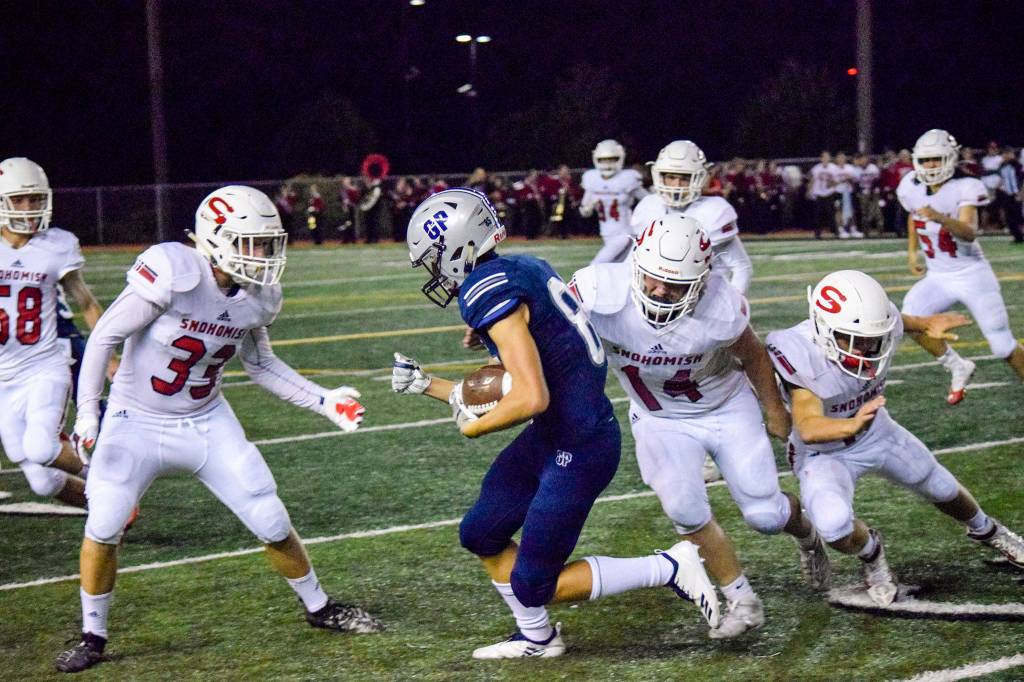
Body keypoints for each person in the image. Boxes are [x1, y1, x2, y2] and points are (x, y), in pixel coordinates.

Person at [55, 186, 382, 673]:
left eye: (268, 243)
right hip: (135, 419)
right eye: (252, 242)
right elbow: (105, 336)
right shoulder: (174, 271)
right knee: (104, 522)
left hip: (206, 419)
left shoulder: (259, 296)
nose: (264, 255)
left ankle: (319, 607)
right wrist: (87, 413)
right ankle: (92, 634)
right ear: (216, 239)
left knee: (269, 516)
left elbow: (261, 365)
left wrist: (323, 400)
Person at [392, 188, 718, 660]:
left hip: (579, 445)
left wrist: (472, 427)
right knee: (480, 533)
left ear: (458, 248)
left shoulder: (488, 291)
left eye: (434, 259)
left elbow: (529, 394)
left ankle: (669, 566)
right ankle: (538, 640)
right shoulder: (524, 267)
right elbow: (524, 373)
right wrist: (432, 384)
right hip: (559, 433)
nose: (435, 271)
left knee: (535, 584)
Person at [569, 215, 829, 639]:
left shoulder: (720, 305)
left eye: (675, 285)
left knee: (766, 514)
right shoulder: (598, 290)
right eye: (653, 279)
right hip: (659, 418)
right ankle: (742, 600)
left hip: (725, 408)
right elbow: (544, 326)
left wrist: (774, 409)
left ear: (702, 282)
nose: (659, 291)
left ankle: (808, 536)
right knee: (684, 510)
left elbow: (754, 355)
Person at [766, 270, 1024, 606]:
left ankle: (989, 531)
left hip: (875, 430)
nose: (866, 348)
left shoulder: (878, 325)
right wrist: (849, 425)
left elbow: (900, 321)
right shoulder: (799, 352)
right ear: (823, 330)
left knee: (941, 486)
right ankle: (872, 554)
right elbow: (808, 426)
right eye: (852, 339)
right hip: (822, 451)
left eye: (871, 338)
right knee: (833, 526)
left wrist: (924, 323)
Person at [631, 140, 754, 482]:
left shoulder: (715, 212)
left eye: (683, 178)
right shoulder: (646, 210)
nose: (675, 185)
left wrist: (731, 311)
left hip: (705, 308)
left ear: (699, 178)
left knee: (715, 380)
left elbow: (741, 268)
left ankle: (717, 452)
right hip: (659, 306)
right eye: (669, 177)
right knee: (653, 378)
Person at [0, 157, 107, 508]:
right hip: (3, 377)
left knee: (42, 447)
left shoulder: (57, 244)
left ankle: (116, 485)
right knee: (44, 482)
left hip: (43, 366)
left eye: (34, 199)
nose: (28, 208)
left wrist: (111, 355)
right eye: (19, 199)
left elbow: (86, 302)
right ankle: (107, 509)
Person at [897, 129, 1024, 405]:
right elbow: (913, 217)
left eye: (936, 159)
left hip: (972, 275)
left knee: (1002, 346)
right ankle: (957, 365)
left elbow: (969, 231)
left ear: (950, 159)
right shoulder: (909, 185)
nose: (931, 165)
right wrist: (912, 252)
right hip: (939, 277)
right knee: (910, 318)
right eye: (926, 159)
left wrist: (940, 217)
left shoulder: (966, 186)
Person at [579, 139, 648, 263]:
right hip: (606, 234)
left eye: (612, 159)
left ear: (620, 158)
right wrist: (587, 209)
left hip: (624, 233)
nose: (607, 164)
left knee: (596, 265)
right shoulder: (592, 179)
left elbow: (649, 200)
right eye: (604, 160)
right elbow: (584, 211)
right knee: (619, 270)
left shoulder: (627, 178)